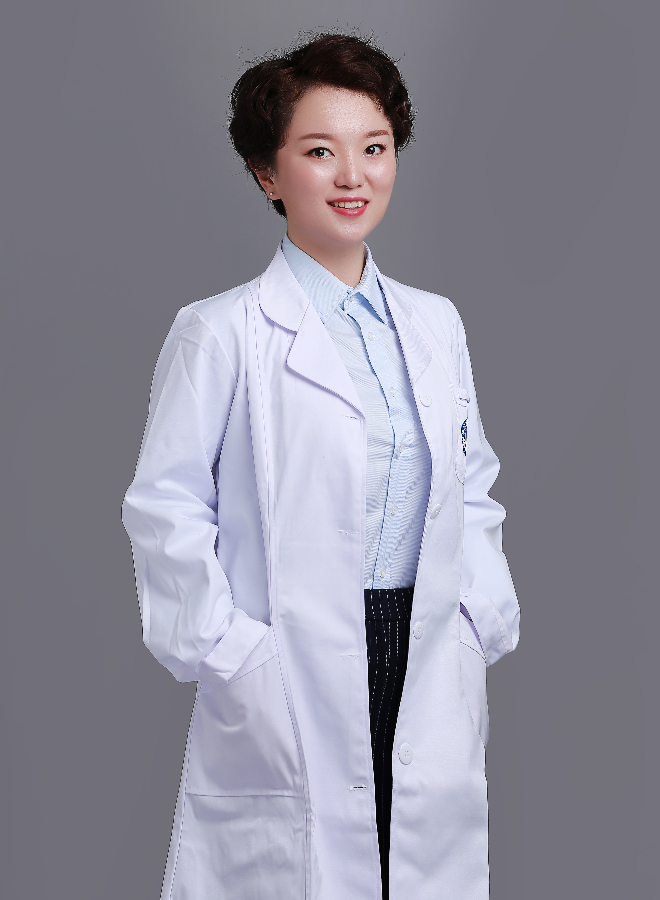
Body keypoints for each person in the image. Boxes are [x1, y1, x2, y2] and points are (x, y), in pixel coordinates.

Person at [122, 31, 520, 900]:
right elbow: (165, 510)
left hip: (422, 650)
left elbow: (472, 485)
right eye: (319, 152)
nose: (353, 176)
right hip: (288, 664)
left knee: (413, 869)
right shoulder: (220, 331)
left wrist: (476, 619)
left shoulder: (435, 324)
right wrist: (236, 658)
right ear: (268, 173)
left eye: (374, 148)